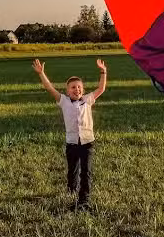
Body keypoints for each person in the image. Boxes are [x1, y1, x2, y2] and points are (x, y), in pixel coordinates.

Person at [32, 58, 107, 210]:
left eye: (79, 87)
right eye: (73, 87)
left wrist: (103, 71)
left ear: (83, 90)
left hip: (87, 143)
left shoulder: (88, 100)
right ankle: (71, 189)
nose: (77, 89)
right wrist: (42, 74)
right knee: (72, 169)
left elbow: (101, 88)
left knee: (86, 171)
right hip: (72, 143)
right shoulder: (64, 101)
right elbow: (50, 88)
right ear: (67, 91)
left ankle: (84, 198)